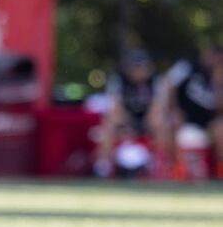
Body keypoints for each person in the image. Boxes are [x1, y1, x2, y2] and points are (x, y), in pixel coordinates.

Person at [151, 44, 223, 179]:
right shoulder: (188, 66)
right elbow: (169, 85)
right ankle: (173, 169)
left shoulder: (218, 76)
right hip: (183, 117)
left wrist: (217, 82)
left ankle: (219, 170)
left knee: (220, 129)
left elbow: (219, 108)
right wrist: (174, 110)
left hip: (208, 122)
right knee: (166, 124)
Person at [93, 50, 158, 177]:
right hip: (125, 119)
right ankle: (102, 166)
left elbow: (157, 106)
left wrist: (146, 124)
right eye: (137, 67)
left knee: (160, 122)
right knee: (109, 123)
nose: (140, 71)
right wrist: (128, 126)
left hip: (146, 120)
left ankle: (158, 164)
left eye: (143, 67)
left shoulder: (155, 81)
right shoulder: (118, 80)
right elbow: (116, 106)